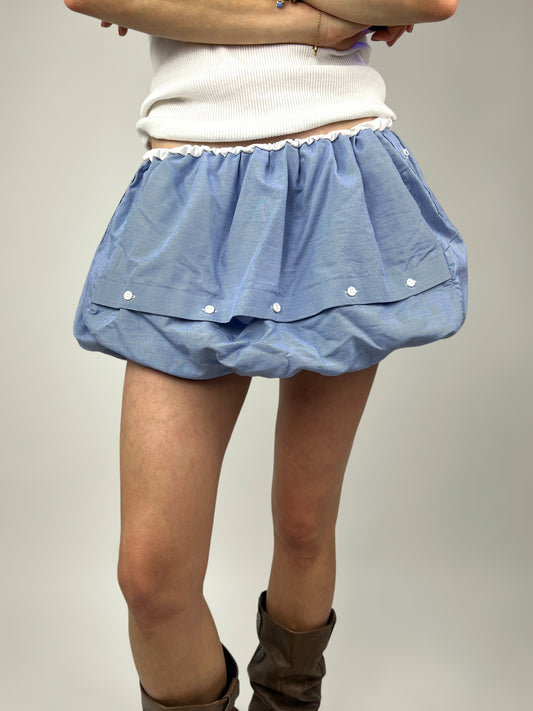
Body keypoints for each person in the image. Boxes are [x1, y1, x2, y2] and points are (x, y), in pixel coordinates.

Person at [64, 1, 466, 710]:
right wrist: (312, 23)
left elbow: (427, 1)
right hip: (189, 188)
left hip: (339, 177)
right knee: (151, 580)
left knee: (304, 524)